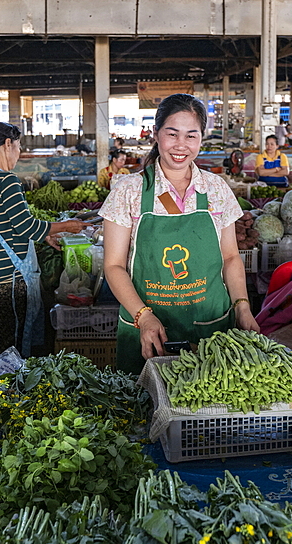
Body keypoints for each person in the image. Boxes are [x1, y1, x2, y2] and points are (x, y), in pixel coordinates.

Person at [101, 93, 259, 375]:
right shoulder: (128, 191)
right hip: (147, 326)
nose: (181, 146)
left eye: (191, 136)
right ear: (155, 134)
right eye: (172, 134)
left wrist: (243, 306)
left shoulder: (216, 189)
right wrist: (143, 315)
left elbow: (232, 257)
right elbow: (113, 266)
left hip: (210, 324)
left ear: (201, 138)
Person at [0, 122, 88, 355]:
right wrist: (66, 226)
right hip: (9, 281)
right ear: (8, 145)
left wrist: (45, 235)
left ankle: (0, 388)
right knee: (11, 348)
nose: (19, 152)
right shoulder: (8, 181)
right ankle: (9, 389)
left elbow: (7, 225)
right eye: (18, 146)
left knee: (1, 341)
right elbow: (26, 226)